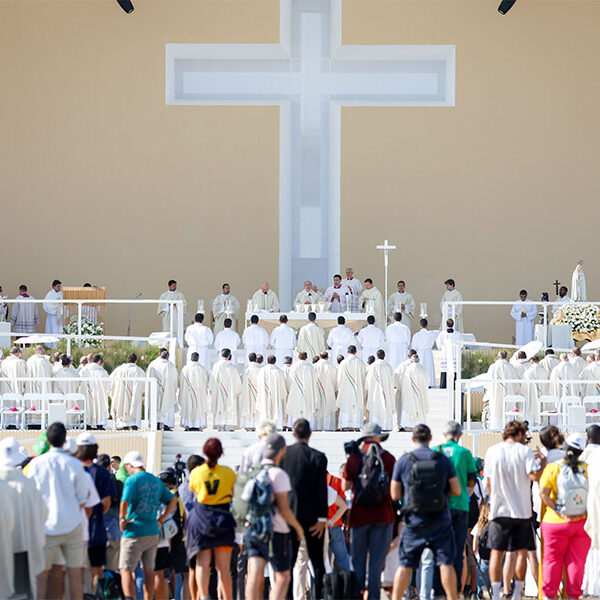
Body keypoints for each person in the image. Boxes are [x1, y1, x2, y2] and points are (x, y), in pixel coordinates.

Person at [390, 423, 460, 600]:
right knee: (445, 564)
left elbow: (394, 494)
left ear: (413, 439)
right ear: (430, 439)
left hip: (414, 521)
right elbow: (457, 490)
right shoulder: (442, 460)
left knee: (405, 566)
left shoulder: (404, 461)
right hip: (440, 519)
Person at [27, 422, 90, 600]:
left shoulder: (36, 464)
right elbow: (82, 500)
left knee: (42, 576)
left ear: (47, 440)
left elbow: (33, 497)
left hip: (46, 526)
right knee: (75, 575)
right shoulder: (75, 464)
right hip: (72, 524)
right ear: (64, 440)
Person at [483, 421, 543, 600]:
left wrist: (494, 499)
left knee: (496, 552)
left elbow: (488, 481)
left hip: (499, 510)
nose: (525, 438)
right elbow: (533, 475)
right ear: (518, 434)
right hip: (521, 510)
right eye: (524, 435)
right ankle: (517, 591)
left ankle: (496, 592)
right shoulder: (524, 451)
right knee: (521, 552)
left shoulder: (492, 451)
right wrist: (543, 462)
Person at [245, 434, 305, 600]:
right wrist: (298, 528)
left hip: (253, 528)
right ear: (282, 450)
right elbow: (284, 509)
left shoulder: (252, 472)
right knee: (283, 576)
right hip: (276, 531)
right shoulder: (279, 474)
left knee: (255, 574)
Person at [342, 423, 396, 600]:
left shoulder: (354, 458)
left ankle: (357, 596)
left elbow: (345, 486)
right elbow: (395, 491)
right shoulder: (388, 458)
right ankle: (373, 597)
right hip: (383, 516)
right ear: (380, 437)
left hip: (359, 515)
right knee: (376, 563)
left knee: (357, 561)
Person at [119, 450, 178, 600]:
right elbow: (172, 500)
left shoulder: (132, 480)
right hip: (153, 530)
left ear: (130, 465)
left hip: (134, 530)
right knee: (149, 570)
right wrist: (161, 519)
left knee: (126, 569)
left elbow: (124, 502)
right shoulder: (155, 480)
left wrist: (122, 519)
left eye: (126, 467)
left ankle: (128, 598)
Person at [539, 433, 591, 600]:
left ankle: (549, 595)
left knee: (552, 561)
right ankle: (573, 596)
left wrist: (557, 510)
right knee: (576, 563)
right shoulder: (587, 469)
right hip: (581, 523)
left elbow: (544, 494)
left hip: (554, 523)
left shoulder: (553, 468)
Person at [281, 419, 328, 600]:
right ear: (310, 434)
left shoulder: (284, 455)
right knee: (317, 562)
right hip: (313, 517)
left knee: (289, 563)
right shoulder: (318, 457)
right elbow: (321, 490)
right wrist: (322, 519)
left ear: (293, 434)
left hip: (289, 515)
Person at [187, 438, 237, 600]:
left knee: (202, 564)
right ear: (221, 453)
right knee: (223, 568)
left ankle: (203, 596)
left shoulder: (196, 473)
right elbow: (233, 493)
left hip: (202, 517)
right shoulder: (228, 472)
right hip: (222, 517)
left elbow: (194, 492)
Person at [0, 437, 47, 598]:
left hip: (3, 548)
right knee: (25, 590)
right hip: (26, 547)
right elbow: (43, 514)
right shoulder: (29, 485)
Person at [438, 421, 479, 593]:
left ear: (443, 434)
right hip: (461, 506)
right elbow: (472, 482)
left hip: (439, 507)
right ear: (460, 435)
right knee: (460, 551)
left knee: (440, 551)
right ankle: (458, 592)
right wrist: (463, 497)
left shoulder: (436, 451)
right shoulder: (465, 453)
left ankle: (441, 591)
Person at [75, 433, 115, 590]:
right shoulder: (103, 473)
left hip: (75, 527)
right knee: (97, 570)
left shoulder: (72, 470)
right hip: (97, 528)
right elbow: (106, 502)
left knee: (75, 571)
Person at [483, 351, 519, 430]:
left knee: (496, 409)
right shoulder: (511, 367)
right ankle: (509, 428)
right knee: (508, 409)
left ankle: (496, 428)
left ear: (498, 356)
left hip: (495, 394)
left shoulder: (493, 367)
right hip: (509, 393)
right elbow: (516, 383)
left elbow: (487, 383)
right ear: (506, 357)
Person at [110, 353, 146, 430]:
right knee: (134, 405)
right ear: (136, 361)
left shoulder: (120, 369)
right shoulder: (139, 371)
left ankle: (123, 425)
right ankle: (134, 425)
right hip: (134, 397)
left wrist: (113, 393)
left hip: (121, 396)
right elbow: (143, 387)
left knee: (122, 404)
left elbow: (111, 381)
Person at [147, 350, 179, 430]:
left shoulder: (153, 364)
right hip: (167, 390)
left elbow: (148, 376)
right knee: (167, 405)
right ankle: (166, 425)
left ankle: (156, 424)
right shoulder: (170, 366)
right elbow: (175, 380)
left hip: (155, 390)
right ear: (168, 357)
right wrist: (174, 389)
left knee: (156, 405)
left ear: (160, 355)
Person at [210, 348, 242, 429]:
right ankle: (229, 425)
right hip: (230, 394)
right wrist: (237, 393)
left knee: (220, 406)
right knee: (229, 405)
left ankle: (220, 425)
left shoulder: (216, 366)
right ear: (229, 356)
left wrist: (212, 390)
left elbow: (212, 381)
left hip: (219, 394)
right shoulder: (233, 368)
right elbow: (237, 383)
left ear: (221, 355)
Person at [336, 345, 366, 429]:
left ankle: (345, 424)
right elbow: (363, 376)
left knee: (346, 404)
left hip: (345, 389)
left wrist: (340, 387)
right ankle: (356, 425)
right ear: (356, 352)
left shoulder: (343, 362)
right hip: (357, 388)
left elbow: (339, 377)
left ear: (347, 352)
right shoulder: (360, 362)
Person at [179, 351, 210, 430]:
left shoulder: (185, 369)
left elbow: (181, 381)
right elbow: (206, 381)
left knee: (188, 406)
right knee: (198, 406)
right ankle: (198, 425)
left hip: (187, 393)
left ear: (190, 359)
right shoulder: (202, 369)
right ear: (198, 359)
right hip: (199, 394)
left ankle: (188, 425)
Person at [365, 349, 395, 430]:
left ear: (377, 356)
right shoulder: (388, 367)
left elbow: (368, 380)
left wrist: (368, 389)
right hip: (386, 392)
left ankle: (375, 426)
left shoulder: (372, 367)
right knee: (386, 406)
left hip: (375, 392)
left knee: (375, 407)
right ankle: (386, 426)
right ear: (384, 356)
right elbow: (392, 381)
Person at [397, 354, 429, 428]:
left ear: (411, 361)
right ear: (419, 360)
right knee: (420, 406)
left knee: (410, 406)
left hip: (410, 393)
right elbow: (427, 381)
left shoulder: (408, 369)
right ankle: (420, 423)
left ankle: (410, 425)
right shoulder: (423, 369)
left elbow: (403, 381)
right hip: (420, 392)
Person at [286, 352, 318, 425]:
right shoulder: (310, 367)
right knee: (307, 407)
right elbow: (314, 380)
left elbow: (289, 380)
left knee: (296, 407)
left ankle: (295, 424)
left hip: (296, 391)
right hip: (307, 391)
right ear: (306, 357)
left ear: (298, 357)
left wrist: (291, 389)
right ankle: (307, 425)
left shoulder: (293, 367)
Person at [256, 356, 288, 429]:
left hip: (265, 395)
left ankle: (265, 425)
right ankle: (276, 425)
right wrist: (283, 395)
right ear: (275, 361)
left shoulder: (262, 371)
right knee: (276, 410)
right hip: (276, 396)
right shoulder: (279, 371)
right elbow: (282, 385)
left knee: (265, 408)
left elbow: (259, 384)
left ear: (267, 361)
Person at [80, 353, 110, 430]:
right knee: (99, 406)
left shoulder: (84, 370)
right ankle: (99, 424)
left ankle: (88, 423)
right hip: (99, 395)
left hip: (87, 393)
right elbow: (107, 385)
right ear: (99, 361)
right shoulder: (102, 371)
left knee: (88, 406)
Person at [436, 318, 463, 389]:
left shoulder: (442, 333)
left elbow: (438, 344)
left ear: (446, 324)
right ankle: (454, 387)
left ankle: (443, 386)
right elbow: (461, 344)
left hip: (445, 354)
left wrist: (443, 348)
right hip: (454, 354)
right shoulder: (457, 334)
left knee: (445, 371)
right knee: (454, 371)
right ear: (453, 324)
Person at [314, 351, 338, 431]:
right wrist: (333, 389)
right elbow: (335, 382)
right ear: (327, 357)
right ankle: (328, 426)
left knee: (317, 406)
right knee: (328, 408)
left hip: (317, 390)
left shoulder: (314, 366)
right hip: (329, 391)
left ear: (320, 357)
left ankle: (316, 426)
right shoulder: (332, 367)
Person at [522, 356, 548, 423]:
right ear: (538, 361)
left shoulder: (527, 372)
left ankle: (531, 424)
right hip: (543, 394)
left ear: (531, 362)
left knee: (531, 407)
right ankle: (543, 424)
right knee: (543, 407)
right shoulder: (545, 371)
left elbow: (525, 387)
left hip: (531, 395)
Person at [239, 353, 261, 429]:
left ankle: (248, 425)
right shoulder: (261, 370)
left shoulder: (246, 370)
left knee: (249, 406)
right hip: (258, 393)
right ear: (256, 359)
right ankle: (257, 425)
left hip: (248, 393)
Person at [411, 318, 435, 386]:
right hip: (428, 352)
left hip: (420, 353)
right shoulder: (431, 334)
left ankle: (420, 383)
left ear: (420, 326)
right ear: (427, 325)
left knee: (420, 368)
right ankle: (429, 383)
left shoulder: (416, 335)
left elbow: (414, 346)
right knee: (429, 368)